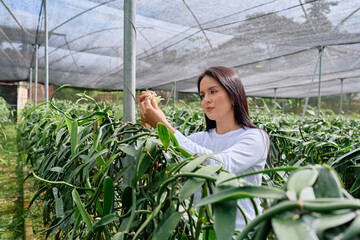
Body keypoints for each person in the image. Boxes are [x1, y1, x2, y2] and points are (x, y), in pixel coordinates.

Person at [139, 66, 269, 232]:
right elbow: (165, 160)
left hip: (242, 232)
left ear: (233, 96)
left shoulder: (255, 137)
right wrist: (148, 127)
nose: (206, 99)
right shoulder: (199, 139)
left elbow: (221, 167)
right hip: (202, 231)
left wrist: (164, 126)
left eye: (213, 92)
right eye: (202, 95)